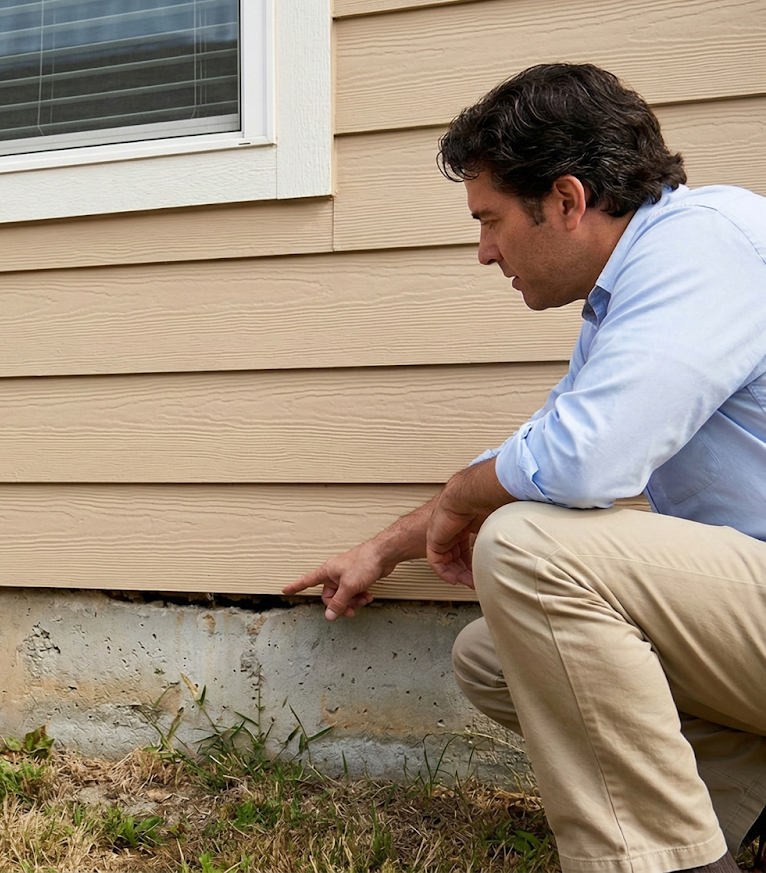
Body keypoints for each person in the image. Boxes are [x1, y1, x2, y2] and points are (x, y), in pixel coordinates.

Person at [286, 63, 766, 873]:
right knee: (492, 654)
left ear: (568, 200)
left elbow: (583, 460)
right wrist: (387, 546)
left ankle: (663, 863)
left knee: (527, 548)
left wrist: (466, 498)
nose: (483, 252)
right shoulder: (634, 288)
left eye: (491, 220)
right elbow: (545, 442)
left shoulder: (708, 243)